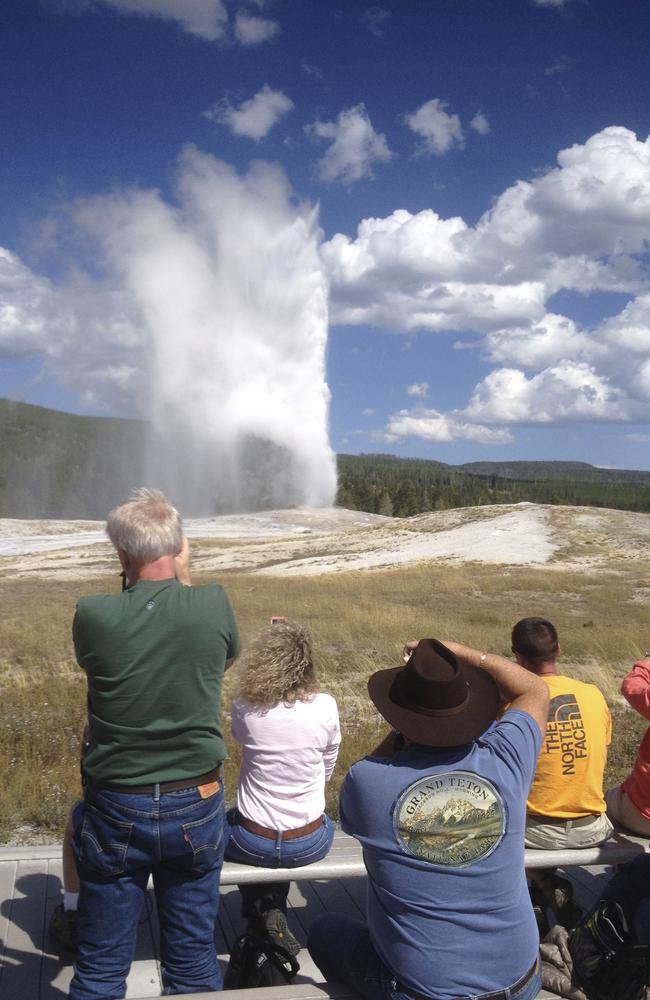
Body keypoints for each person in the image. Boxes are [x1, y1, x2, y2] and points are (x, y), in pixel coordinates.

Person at [68, 488, 240, 1000]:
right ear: (180, 544)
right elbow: (221, 658)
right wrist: (181, 575)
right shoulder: (211, 602)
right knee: (193, 959)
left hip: (118, 799)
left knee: (100, 968)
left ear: (121, 554)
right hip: (198, 797)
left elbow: (97, 664)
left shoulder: (94, 613)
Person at [308, 636, 549, 1000]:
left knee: (324, 931)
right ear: (469, 706)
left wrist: (410, 721)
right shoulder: (508, 757)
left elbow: (376, 762)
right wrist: (462, 652)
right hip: (521, 979)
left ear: (400, 717)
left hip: (423, 992)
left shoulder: (368, 781)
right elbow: (534, 688)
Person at [225, 618, 340, 956]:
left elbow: (239, 739)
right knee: (292, 831)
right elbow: (328, 764)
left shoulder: (246, 709)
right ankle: (267, 911)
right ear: (306, 665)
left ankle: (262, 908)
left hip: (252, 838)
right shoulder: (326, 707)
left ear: (262, 663)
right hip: (307, 841)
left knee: (236, 826)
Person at [511, 617, 613, 849]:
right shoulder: (593, 694)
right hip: (592, 828)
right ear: (558, 649)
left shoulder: (514, 703)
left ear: (518, 656)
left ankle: (541, 878)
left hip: (536, 830)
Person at [605, 653, 650, 835]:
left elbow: (632, 687)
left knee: (603, 802)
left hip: (643, 814)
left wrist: (646, 664)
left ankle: (624, 864)